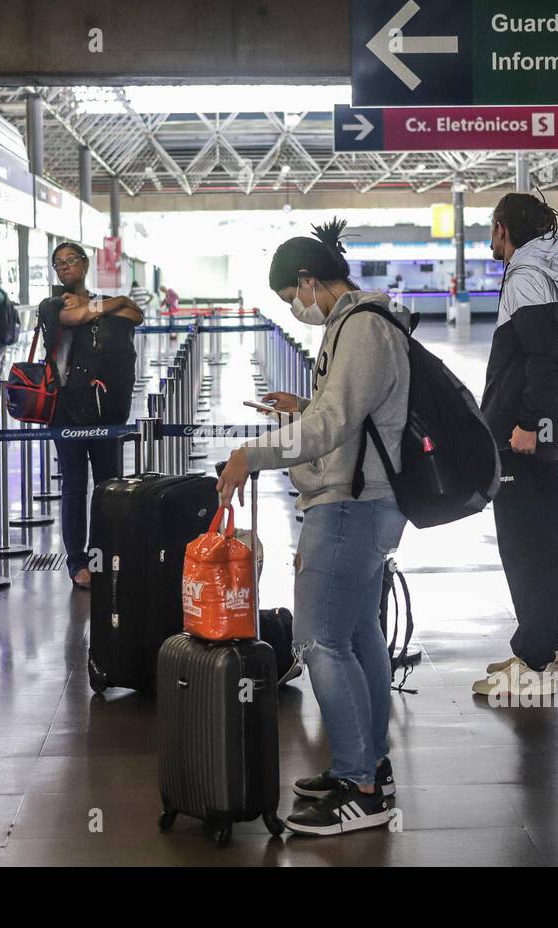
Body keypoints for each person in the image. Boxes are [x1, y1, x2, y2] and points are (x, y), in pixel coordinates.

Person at [217, 219, 410, 838]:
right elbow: (348, 415)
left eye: (289, 297)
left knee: (319, 641)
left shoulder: (360, 329)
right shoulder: (356, 326)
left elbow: (331, 428)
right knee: (356, 634)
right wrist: (302, 408)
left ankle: (362, 785)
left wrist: (254, 452)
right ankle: (368, 765)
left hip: (351, 505)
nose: (293, 309)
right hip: (368, 500)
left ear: (308, 281)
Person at [473, 192, 558, 697]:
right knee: (542, 546)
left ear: (503, 229)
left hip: (519, 444)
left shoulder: (524, 279)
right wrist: (555, 420)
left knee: (525, 548)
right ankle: (541, 651)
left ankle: (536, 665)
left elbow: (545, 360)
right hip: (539, 443)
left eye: (492, 229)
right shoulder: (551, 280)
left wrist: (530, 424)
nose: (490, 239)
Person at [39, 241, 142, 589]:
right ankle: (77, 562)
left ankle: (107, 553)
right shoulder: (50, 304)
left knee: (108, 485)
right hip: (65, 410)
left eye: (71, 260)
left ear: (85, 264)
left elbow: (136, 315)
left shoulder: (93, 300)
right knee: (74, 486)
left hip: (106, 409)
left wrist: (96, 305)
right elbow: (78, 316)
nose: (65, 266)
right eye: (59, 263)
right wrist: (111, 304)